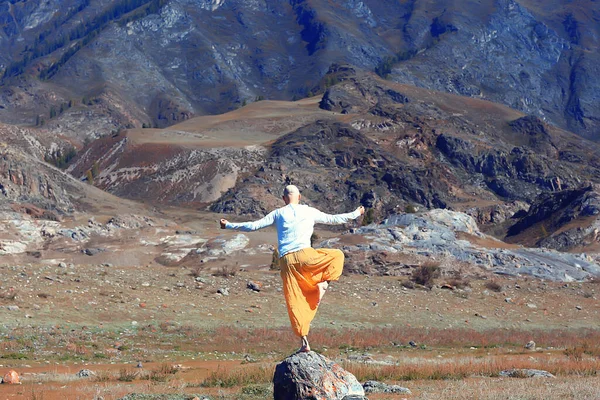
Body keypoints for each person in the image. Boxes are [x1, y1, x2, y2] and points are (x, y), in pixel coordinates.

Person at [220, 184, 364, 352]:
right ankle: (323, 283)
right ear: (300, 197)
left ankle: (304, 342)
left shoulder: (278, 213)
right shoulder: (308, 211)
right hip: (306, 255)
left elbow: (253, 226)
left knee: (294, 300)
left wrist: (229, 225)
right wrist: (356, 213)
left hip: (287, 261)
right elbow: (334, 219)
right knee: (337, 255)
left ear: (283, 199)